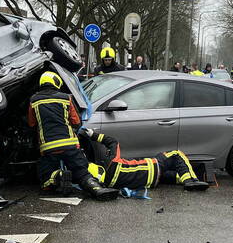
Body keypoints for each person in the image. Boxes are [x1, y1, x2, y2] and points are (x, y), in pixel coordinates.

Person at [26, 71, 118, 201]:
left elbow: (31, 123)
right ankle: (97, 189)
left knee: (45, 178)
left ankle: (59, 176)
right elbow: (76, 121)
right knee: (82, 172)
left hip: (48, 147)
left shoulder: (34, 100)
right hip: (70, 145)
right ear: (56, 82)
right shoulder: (66, 98)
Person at [78, 127, 208, 191]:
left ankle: (192, 177)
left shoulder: (108, 183)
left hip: (151, 182)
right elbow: (113, 142)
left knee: (170, 176)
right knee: (176, 154)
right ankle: (191, 181)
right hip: (153, 166)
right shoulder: (112, 163)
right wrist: (93, 135)